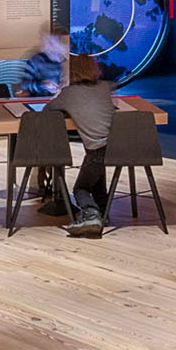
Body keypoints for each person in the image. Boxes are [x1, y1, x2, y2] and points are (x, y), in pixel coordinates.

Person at [39, 53, 115, 237]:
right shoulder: (106, 87)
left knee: (80, 188)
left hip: (97, 150)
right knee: (95, 176)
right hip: (116, 147)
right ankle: (103, 214)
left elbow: (46, 111)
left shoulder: (69, 94)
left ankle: (91, 215)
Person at [18, 28, 70, 96]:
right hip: (40, 102)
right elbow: (24, 85)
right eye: (49, 43)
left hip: (64, 100)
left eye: (53, 44)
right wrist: (43, 85)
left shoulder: (68, 63)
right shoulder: (36, 60)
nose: (48, 46)